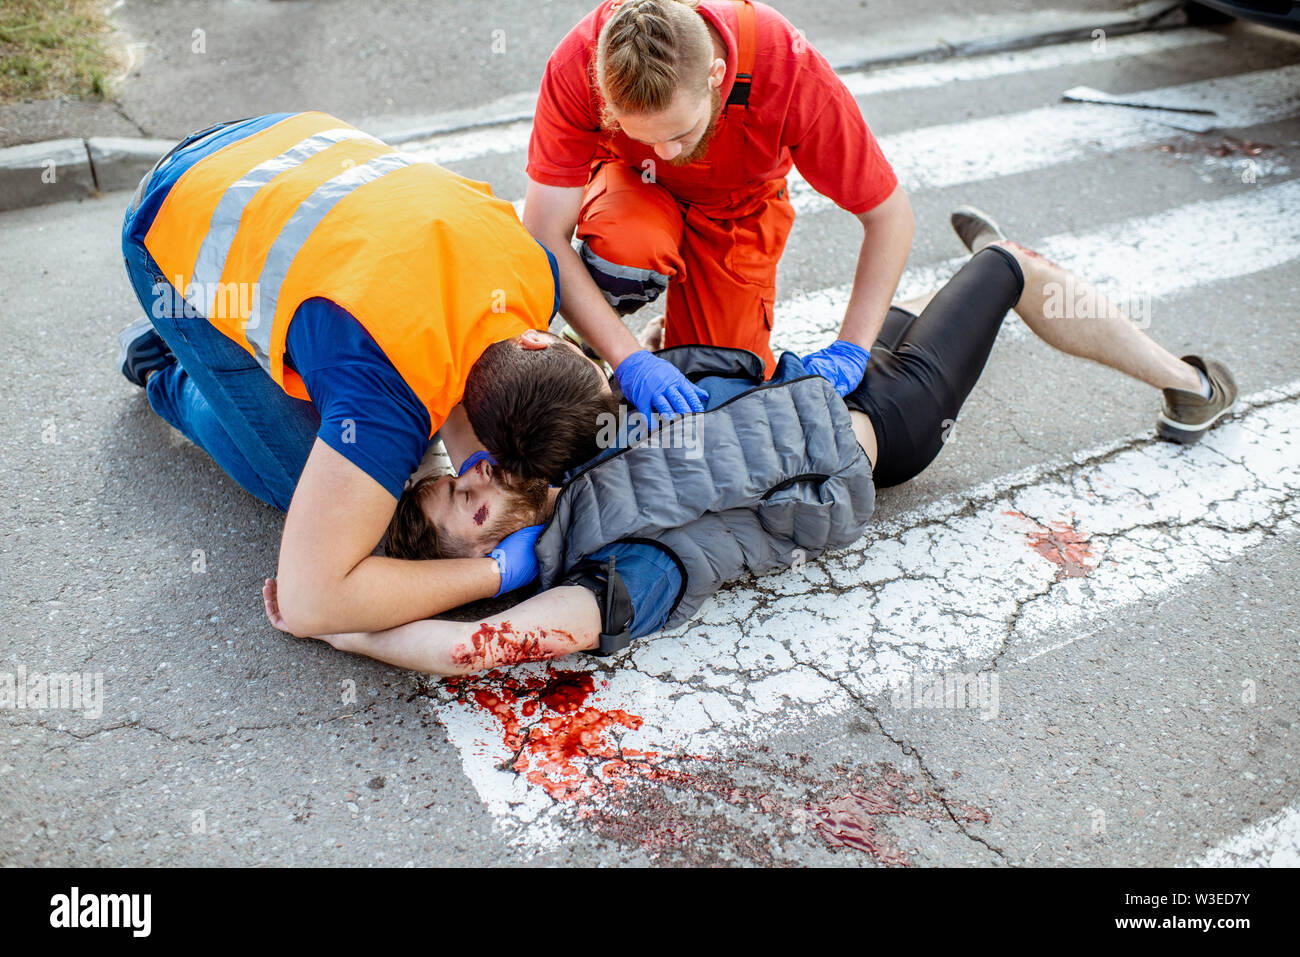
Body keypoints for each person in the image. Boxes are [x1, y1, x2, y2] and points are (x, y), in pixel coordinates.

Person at [262, 208, 1238, 674]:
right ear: (485, 553)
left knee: (911, 316)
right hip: (884, 433)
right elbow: (487, 644)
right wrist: (344, 623)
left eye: (462, 475)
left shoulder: (549, 456)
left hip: (812, 383)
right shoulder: (612, 565)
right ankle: (1192, 385)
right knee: (1013, 270)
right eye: (470, 509)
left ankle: (958, 295)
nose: (480, 477)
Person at [117, 111, 615, 638]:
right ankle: (166, 368)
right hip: (172, 217)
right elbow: (309, 603)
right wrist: (494, 573)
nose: (480, 471)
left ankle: (215, 343)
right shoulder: (387, 402)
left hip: (278, 137)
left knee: (343, 472)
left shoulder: (534, 275)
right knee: (299, 480)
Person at [519, 0, 914, 433]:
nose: (667, 154)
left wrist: (853, 347)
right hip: (634, 188)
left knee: (723, 391)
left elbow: (889, 216)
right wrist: (627, 360)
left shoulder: (787, 65)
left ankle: (664, 333)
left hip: (735, 208)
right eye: (644, 137)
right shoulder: (579, 61)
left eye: (679, 133)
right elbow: (542, 234)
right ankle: (596, 345)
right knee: (624, 250)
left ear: (717, 76)